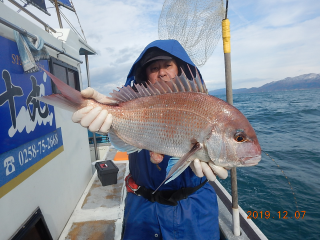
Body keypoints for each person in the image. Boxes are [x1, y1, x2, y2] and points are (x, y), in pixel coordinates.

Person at [72, 40, 228, 240]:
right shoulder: (132, 105)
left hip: (193, 209)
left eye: (167, 65)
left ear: (180, 70)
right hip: (142, 208)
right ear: (145, 75)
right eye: (154, 68)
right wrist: (111, 123)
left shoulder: (202, 106)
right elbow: (121, 142)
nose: (161, 72)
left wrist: (223, 156)